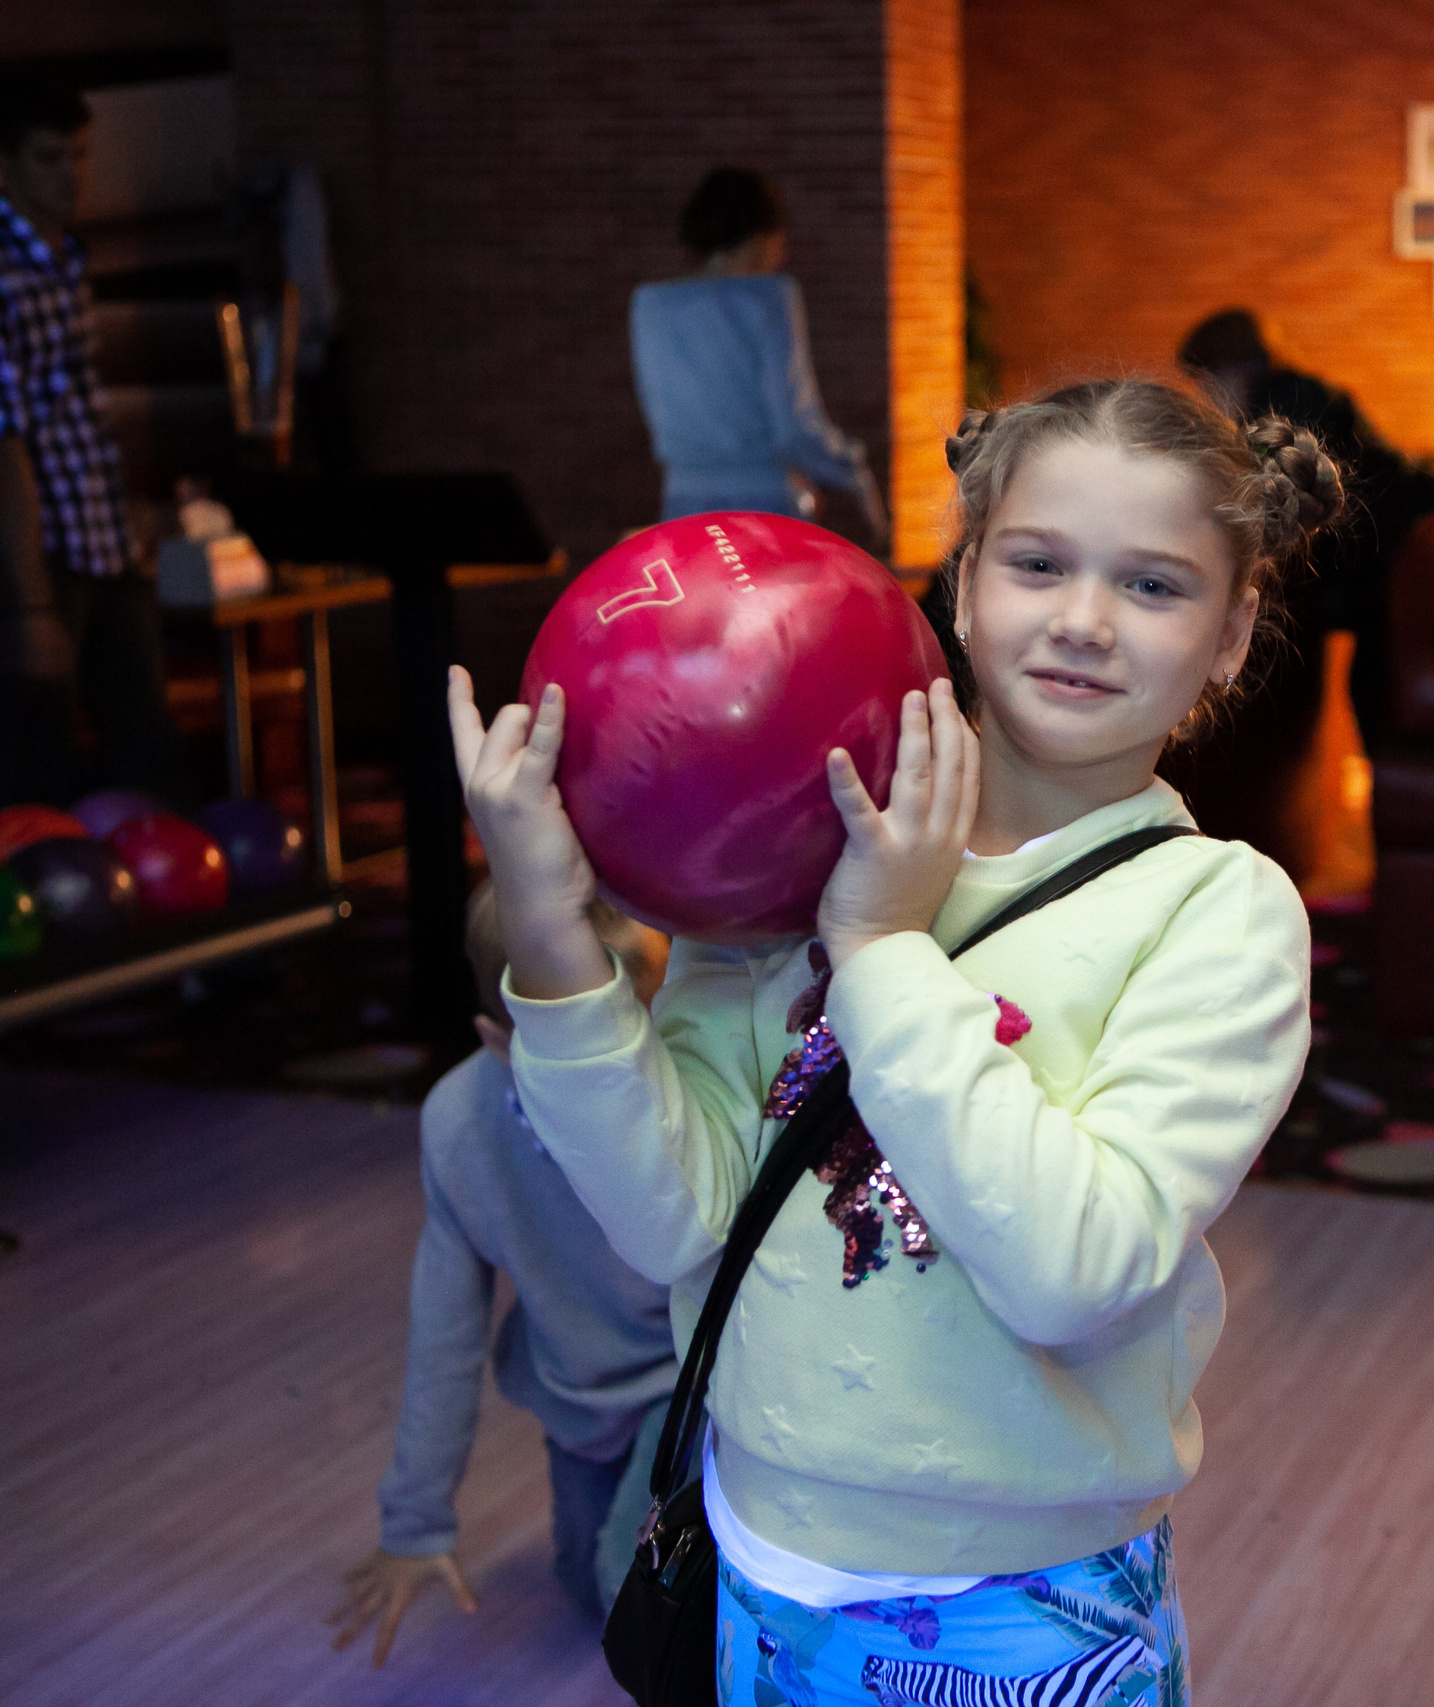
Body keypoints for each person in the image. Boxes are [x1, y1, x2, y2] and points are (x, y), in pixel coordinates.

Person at [447, 377, 1334, 1704]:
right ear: (965, 583)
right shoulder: (791, 832)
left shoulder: (1216, 910)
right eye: (1039, 563)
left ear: (1231, 631)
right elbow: (673, 1218)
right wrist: (548, 922)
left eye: (1154, 586)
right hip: (758, 1550)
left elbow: (1074, 1267)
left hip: (1026, 1603)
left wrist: (878, 948)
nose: (1085, 621)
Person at [327, 884, 678, 1665]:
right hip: (575, 1389)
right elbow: (444, 1336)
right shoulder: (461, 1122)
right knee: (585, 1587)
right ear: (497, 1040)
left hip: (693, 1381)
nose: (614, 1063)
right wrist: (414, 1524)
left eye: (633, 1027)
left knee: (629, 1584)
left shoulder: (692, 1078)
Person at [0, 76, 188, 808]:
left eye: (78, 156)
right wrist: (30, 605)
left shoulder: (64, 258)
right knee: (37, 748)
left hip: (101, 537)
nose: (71, 175)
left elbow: (74, 411)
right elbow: (6, 440)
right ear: (7, 164)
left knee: (144, 742)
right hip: (42, 554)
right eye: (50, 158)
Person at [1176, 307, 1434, 754]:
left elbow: (1273, 500)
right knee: (1376, 688)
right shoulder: (1300, 393)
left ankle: (1404, 809)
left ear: (1232, 368)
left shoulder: (1283, 403)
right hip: (1424, 540)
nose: (1207, 399)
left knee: (1380, 691)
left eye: (1205, 382)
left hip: (1410, 551)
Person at [629, 167, 888, 544]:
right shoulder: (767, 298)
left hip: (682, 505)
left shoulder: (650, 306)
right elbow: (796, 425)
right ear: (760, 238)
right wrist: (853, 470)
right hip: (761, 506)